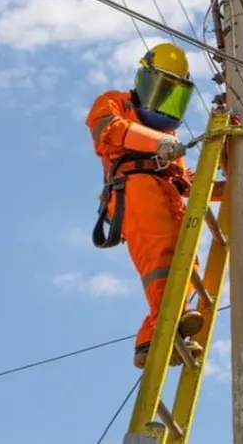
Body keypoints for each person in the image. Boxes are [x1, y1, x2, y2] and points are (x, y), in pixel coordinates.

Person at [86, 42, 204, 369]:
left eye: (173, 94)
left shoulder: (169, 139)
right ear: (145, 79)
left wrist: (228, 184)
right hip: (133, 186)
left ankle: (161, 333)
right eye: (161, 89)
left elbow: (187, 182)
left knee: (186, 255)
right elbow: (111, 131)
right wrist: (158, 143)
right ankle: (164, 322)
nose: (165, 101)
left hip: (163, 189)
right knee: (160, 251)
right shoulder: (113, 102)